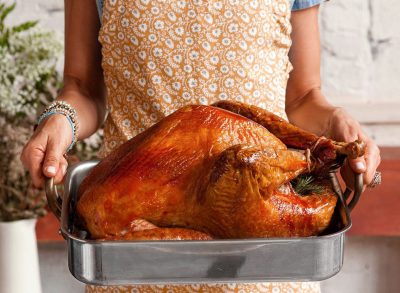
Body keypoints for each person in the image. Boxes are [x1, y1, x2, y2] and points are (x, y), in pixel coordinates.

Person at [21, 0, 381, 292]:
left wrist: (336, 125)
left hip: (266, 256)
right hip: (132, 254)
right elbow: (82, 87)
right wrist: (60, 118)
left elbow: (303, 96)